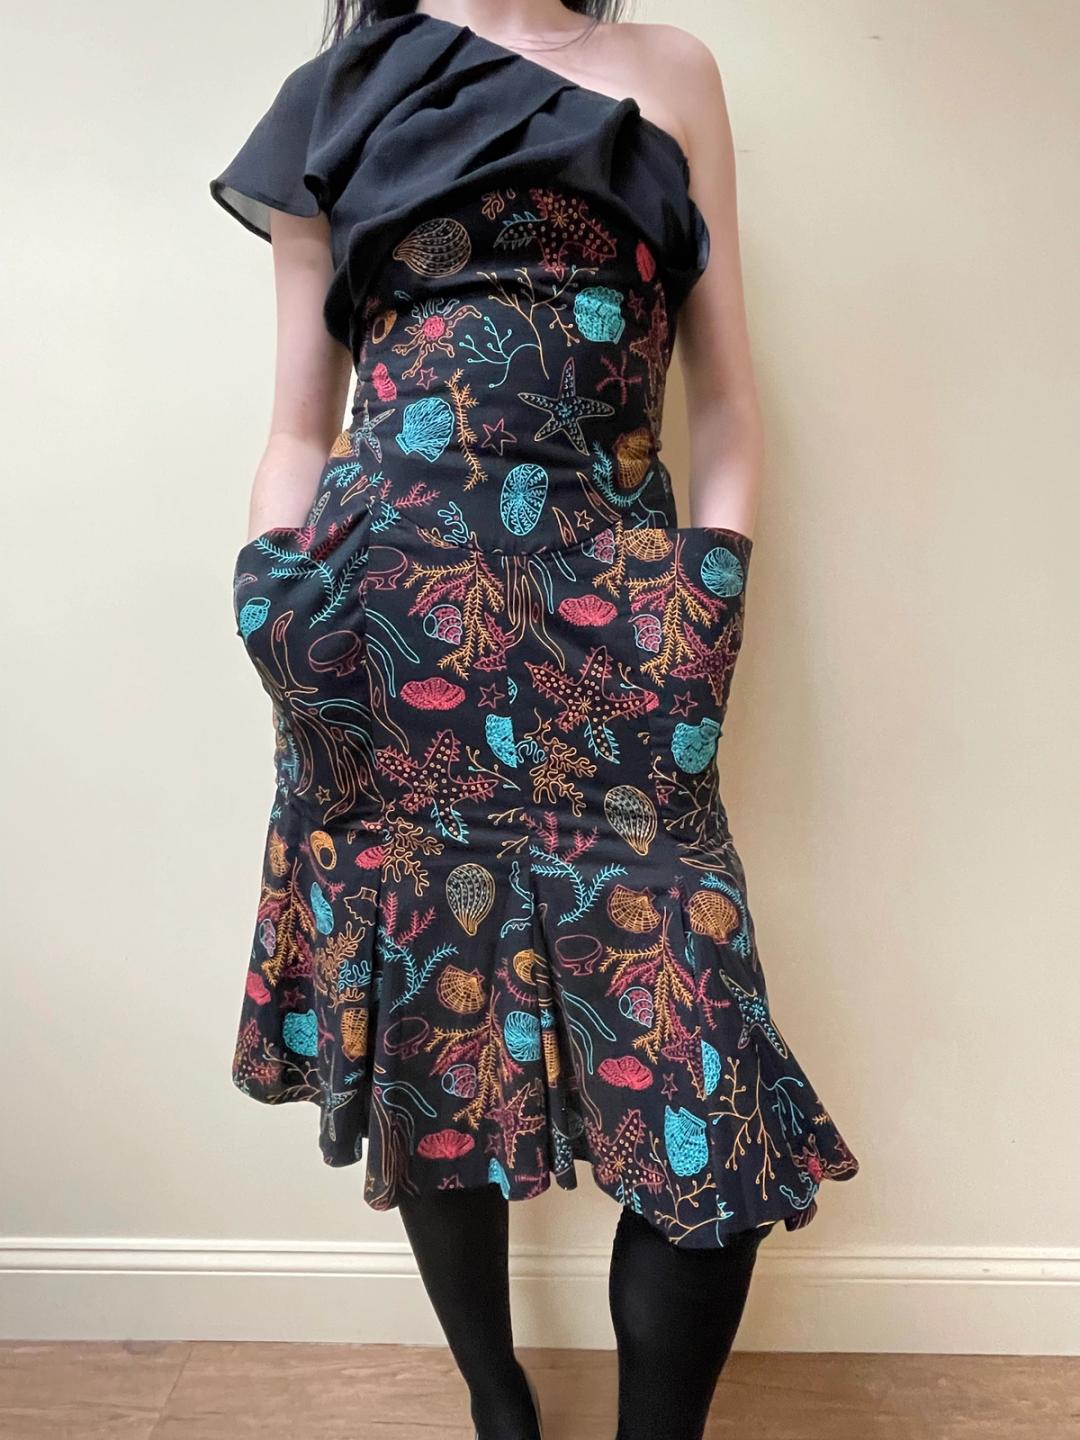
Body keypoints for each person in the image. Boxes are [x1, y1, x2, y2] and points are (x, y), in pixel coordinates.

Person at [210, 3, 861, 1436]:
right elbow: (300, 427)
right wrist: (277, 602)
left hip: (615, 636)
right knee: (438, 1049)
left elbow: (727, 400)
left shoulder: (672, 72)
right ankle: (498, 1406)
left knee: (703, 1070)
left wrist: (706, 603)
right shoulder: (332, 96)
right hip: (382, 640)